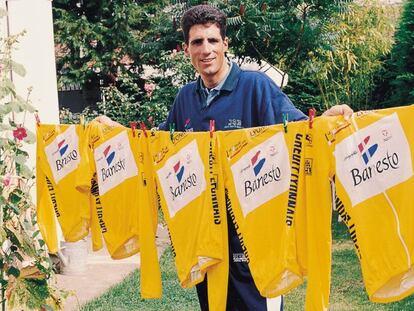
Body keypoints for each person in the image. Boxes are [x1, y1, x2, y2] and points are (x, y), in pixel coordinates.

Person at [96, 5, 353, 310]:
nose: (205, 49)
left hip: (255, 235)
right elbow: (155, 148)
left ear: (225, 44)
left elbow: (300, 132)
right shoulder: (185, 99)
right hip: (205, 236)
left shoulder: (255, 87)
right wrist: (118, 133)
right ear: (187, 50)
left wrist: (326, 120)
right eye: (197, 42)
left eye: (212, 40)